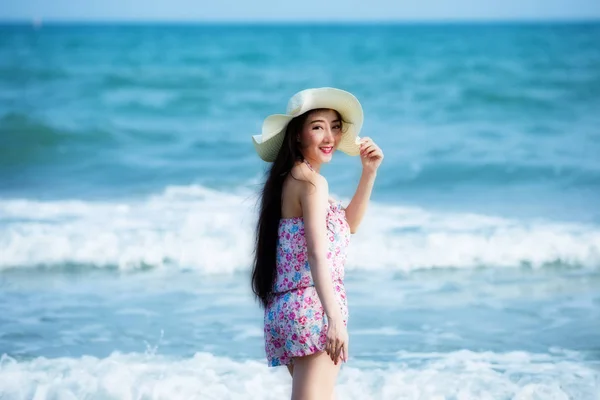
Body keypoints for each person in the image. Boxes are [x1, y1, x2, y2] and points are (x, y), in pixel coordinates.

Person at [250, 87, 383, 399]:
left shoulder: (292, 178)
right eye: (317, 127)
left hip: (288, 309)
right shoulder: (311, 183)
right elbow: (316, 253)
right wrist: (334, 320)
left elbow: (348, 225)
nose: (329, 137)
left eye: (335, 127)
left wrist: (369, 173)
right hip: (313, 310)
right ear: (297, 135)